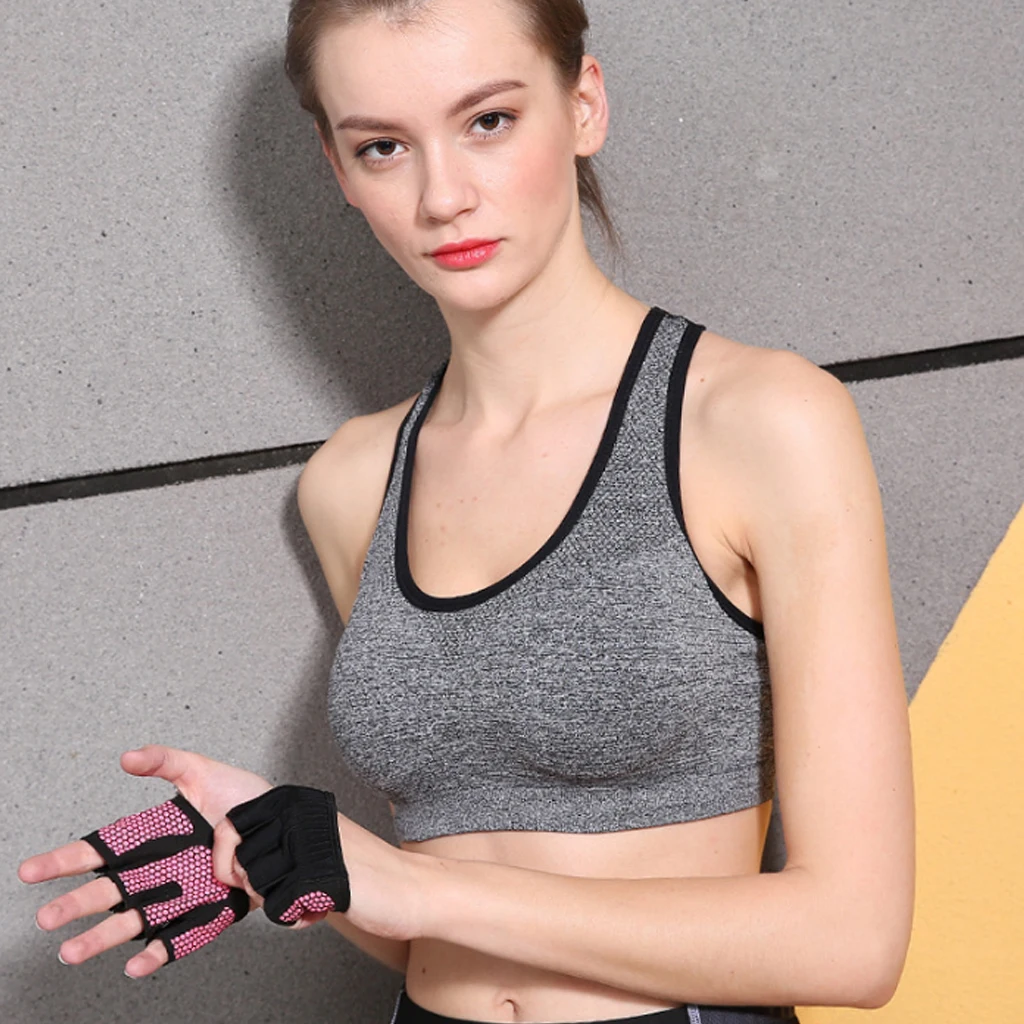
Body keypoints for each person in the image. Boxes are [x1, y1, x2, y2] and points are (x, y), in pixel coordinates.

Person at [17, 1, 916, 1022]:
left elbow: (853, 941)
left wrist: (420, 886)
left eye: (489, 121)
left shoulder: (759, 421)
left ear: (583, 106)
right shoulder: (353, 481)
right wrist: (278, 854)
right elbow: (421, 927)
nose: (443, 196)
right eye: (384, 147)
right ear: (336, 167)